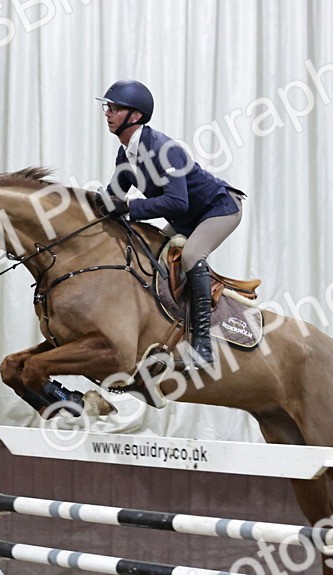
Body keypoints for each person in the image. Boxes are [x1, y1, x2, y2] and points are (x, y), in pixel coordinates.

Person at [97, 80, 244, 367]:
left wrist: (128, 207)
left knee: (190, 256)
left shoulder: (165, 149)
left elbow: (178, 203)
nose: (107, 112)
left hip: (220, 208)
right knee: (150, 258)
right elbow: (113, 196)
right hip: (187, 219)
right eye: (108, 107)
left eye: (114, 108)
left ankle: (203, 347)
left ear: (134, 116)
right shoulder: (126, 153)